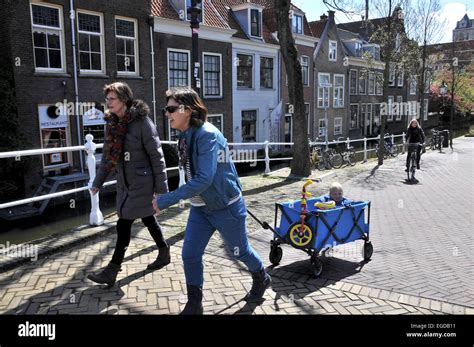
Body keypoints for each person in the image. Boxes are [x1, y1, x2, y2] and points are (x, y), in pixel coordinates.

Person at [152, 87, 271, 315]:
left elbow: (204, 178)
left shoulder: (207, 135)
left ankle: (261, 276)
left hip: (225, 206)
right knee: (189, 254)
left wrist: (166, 200)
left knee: (239, 251)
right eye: (166, 109)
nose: (167, 113)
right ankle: (194, 304)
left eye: (170, 109)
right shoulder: (185, 136)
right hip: (201, 208)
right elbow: (190, 173)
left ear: (187, 110)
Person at [87, 82, 170, 287]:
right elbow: (108, 157)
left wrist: (161, 191)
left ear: (124, 100)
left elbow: (157, 157)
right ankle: (164, 251)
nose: (108, 102)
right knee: (147, 217)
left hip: (142, 182)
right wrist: (98, 182)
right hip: (124, 183)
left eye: (112, 99)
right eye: (107, 99)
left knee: (123, 224)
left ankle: (112, 270)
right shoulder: (112, 123)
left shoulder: (142, 123)